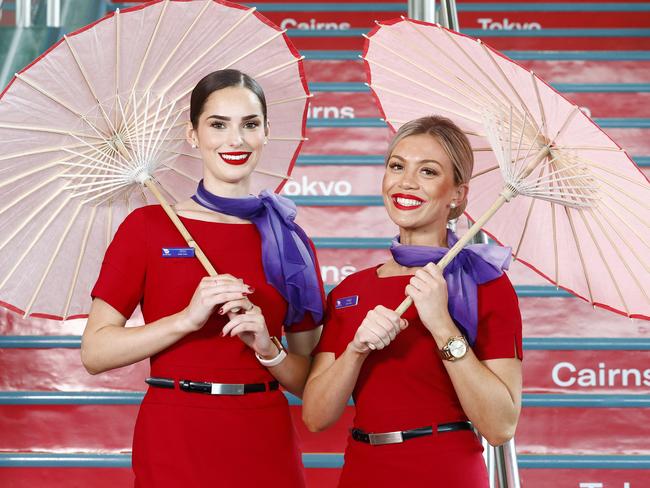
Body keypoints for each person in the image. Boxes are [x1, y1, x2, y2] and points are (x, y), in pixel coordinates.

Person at [81, 69, 324, 488]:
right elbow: (95, 352)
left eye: (249, 124)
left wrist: (269, 349)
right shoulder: (148, 226)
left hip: (263, 436)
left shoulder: (291, 241)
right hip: (175, 432)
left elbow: (313, 386)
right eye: (218, 125)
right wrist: (186, 320)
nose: (236, 140)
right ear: (193, 135)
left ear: (266, 131)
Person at [302, 115, 523, 487]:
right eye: (397, 166)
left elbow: (500, 426)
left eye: (429, 172)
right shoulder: (349, 292)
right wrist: (356, 349)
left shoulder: (486, 285)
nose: (406, 181)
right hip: (362, 471)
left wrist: (441, 324)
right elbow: (315, 417)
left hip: (445, 471)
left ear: (457, 195)